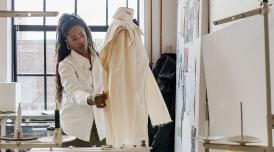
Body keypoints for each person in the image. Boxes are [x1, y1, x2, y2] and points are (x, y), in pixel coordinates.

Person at [55, 13, 107, 147]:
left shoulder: (100, 59)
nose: (81, 40)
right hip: (75, 129)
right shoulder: (66, 64)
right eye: (74, 38)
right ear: (67, 42)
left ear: (87, 34)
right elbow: (73, 91)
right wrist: (90, 99)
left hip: (102, 126)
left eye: (82, 35)